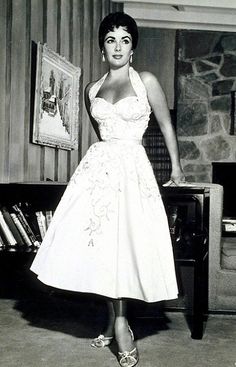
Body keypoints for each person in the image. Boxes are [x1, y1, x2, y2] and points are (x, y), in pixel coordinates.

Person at [31, 11, 185, 367]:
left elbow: (164, 125)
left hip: (133, 170)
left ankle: (119, 322)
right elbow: (102, 134)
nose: (118, 46)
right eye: (111, 40)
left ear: (133, 49)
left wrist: (176, 167)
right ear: (103, 49)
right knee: (102, 250)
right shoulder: (92, 90)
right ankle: (116, 319)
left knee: (126, 249)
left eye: (125, 40)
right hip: (98, 173)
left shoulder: (146, 80)